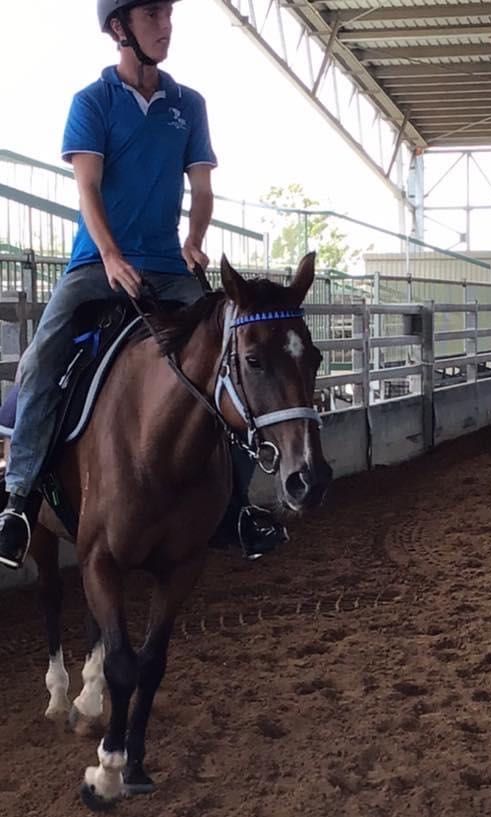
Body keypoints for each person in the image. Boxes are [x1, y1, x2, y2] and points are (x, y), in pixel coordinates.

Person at [0, 0, 285, 570]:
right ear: (118, 28)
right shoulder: (92, 103)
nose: (166, 26)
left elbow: (201, 189)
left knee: (233, 349)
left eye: (169, 15)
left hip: (169, 271)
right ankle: (18, 500)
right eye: (152, 15)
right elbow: (88, 190)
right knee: (37, 362)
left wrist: (196, 238)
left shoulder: (189, 105)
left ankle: (237, 507)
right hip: (94, 265)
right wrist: (108, 256)